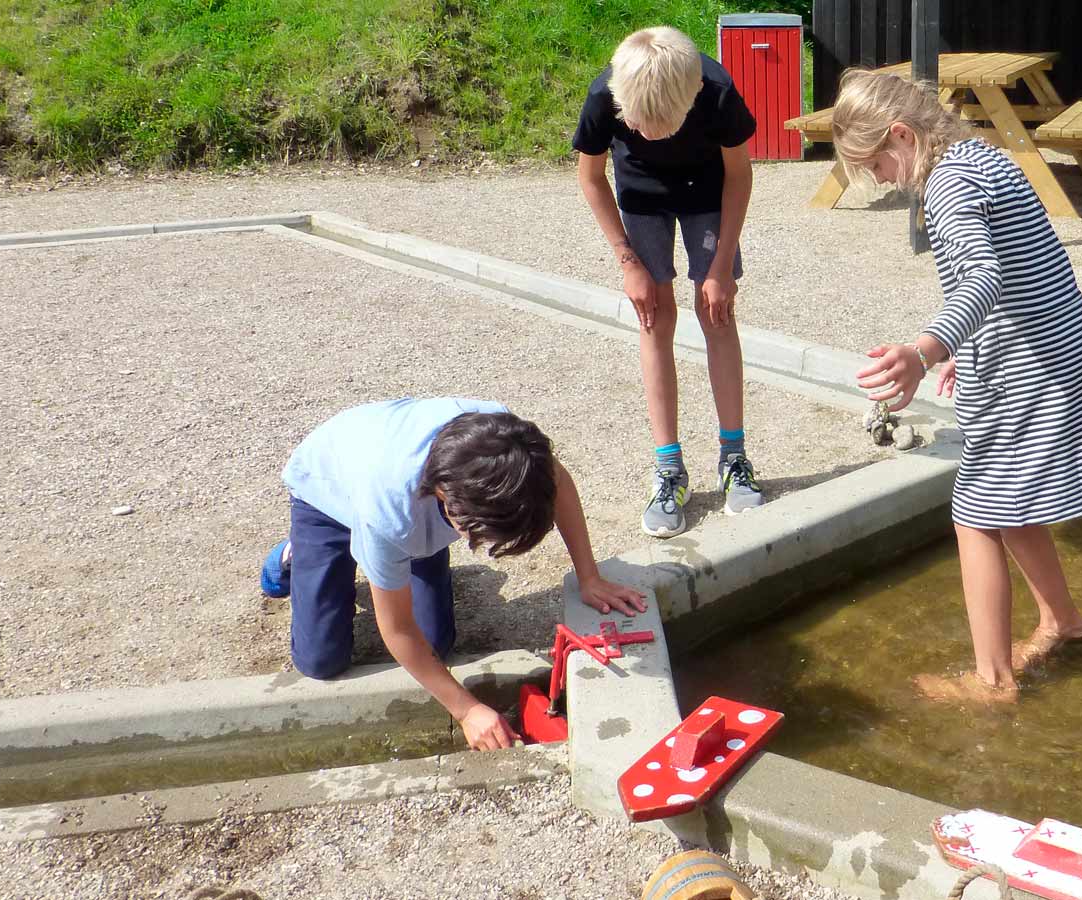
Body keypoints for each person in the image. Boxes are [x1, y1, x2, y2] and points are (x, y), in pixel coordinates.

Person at [833, 70, 1082, 704]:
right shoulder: (984, 156)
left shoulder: (948, 185)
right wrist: (967, 346)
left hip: (1033, 372)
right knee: (1011, 505)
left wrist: (926, 350)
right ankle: (1062, 621)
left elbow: (983, 278)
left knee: (974, 515)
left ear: (902, 135)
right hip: (1053, 353)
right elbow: (1021, 269)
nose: (880, 180)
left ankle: (992, 682)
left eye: (876, 164)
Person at [258, 398, 646, 747]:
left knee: (436, 646)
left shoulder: (511, 445)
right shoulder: (389, 513)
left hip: (410, 502)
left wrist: (589, 577)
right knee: (321, 662)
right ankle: (298, 553)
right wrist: (466, 710)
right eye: (481, 533)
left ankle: (390, 559)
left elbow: (558, 484)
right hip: (326, 491)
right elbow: (397, 630)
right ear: (447, 499)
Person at [573, 25, 764, 538]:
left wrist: (720, 267)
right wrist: (628, 262)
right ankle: (669, 469)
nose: (652, 135)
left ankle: (733, 457)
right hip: (641, 199)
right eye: (641, 126)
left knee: (717, 314)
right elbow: (590, 177)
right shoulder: (605, 94)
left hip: (708, 193)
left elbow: (739, 175)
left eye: (663, 127)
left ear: (692, 96)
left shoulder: (716, 91)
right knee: (654, 318)